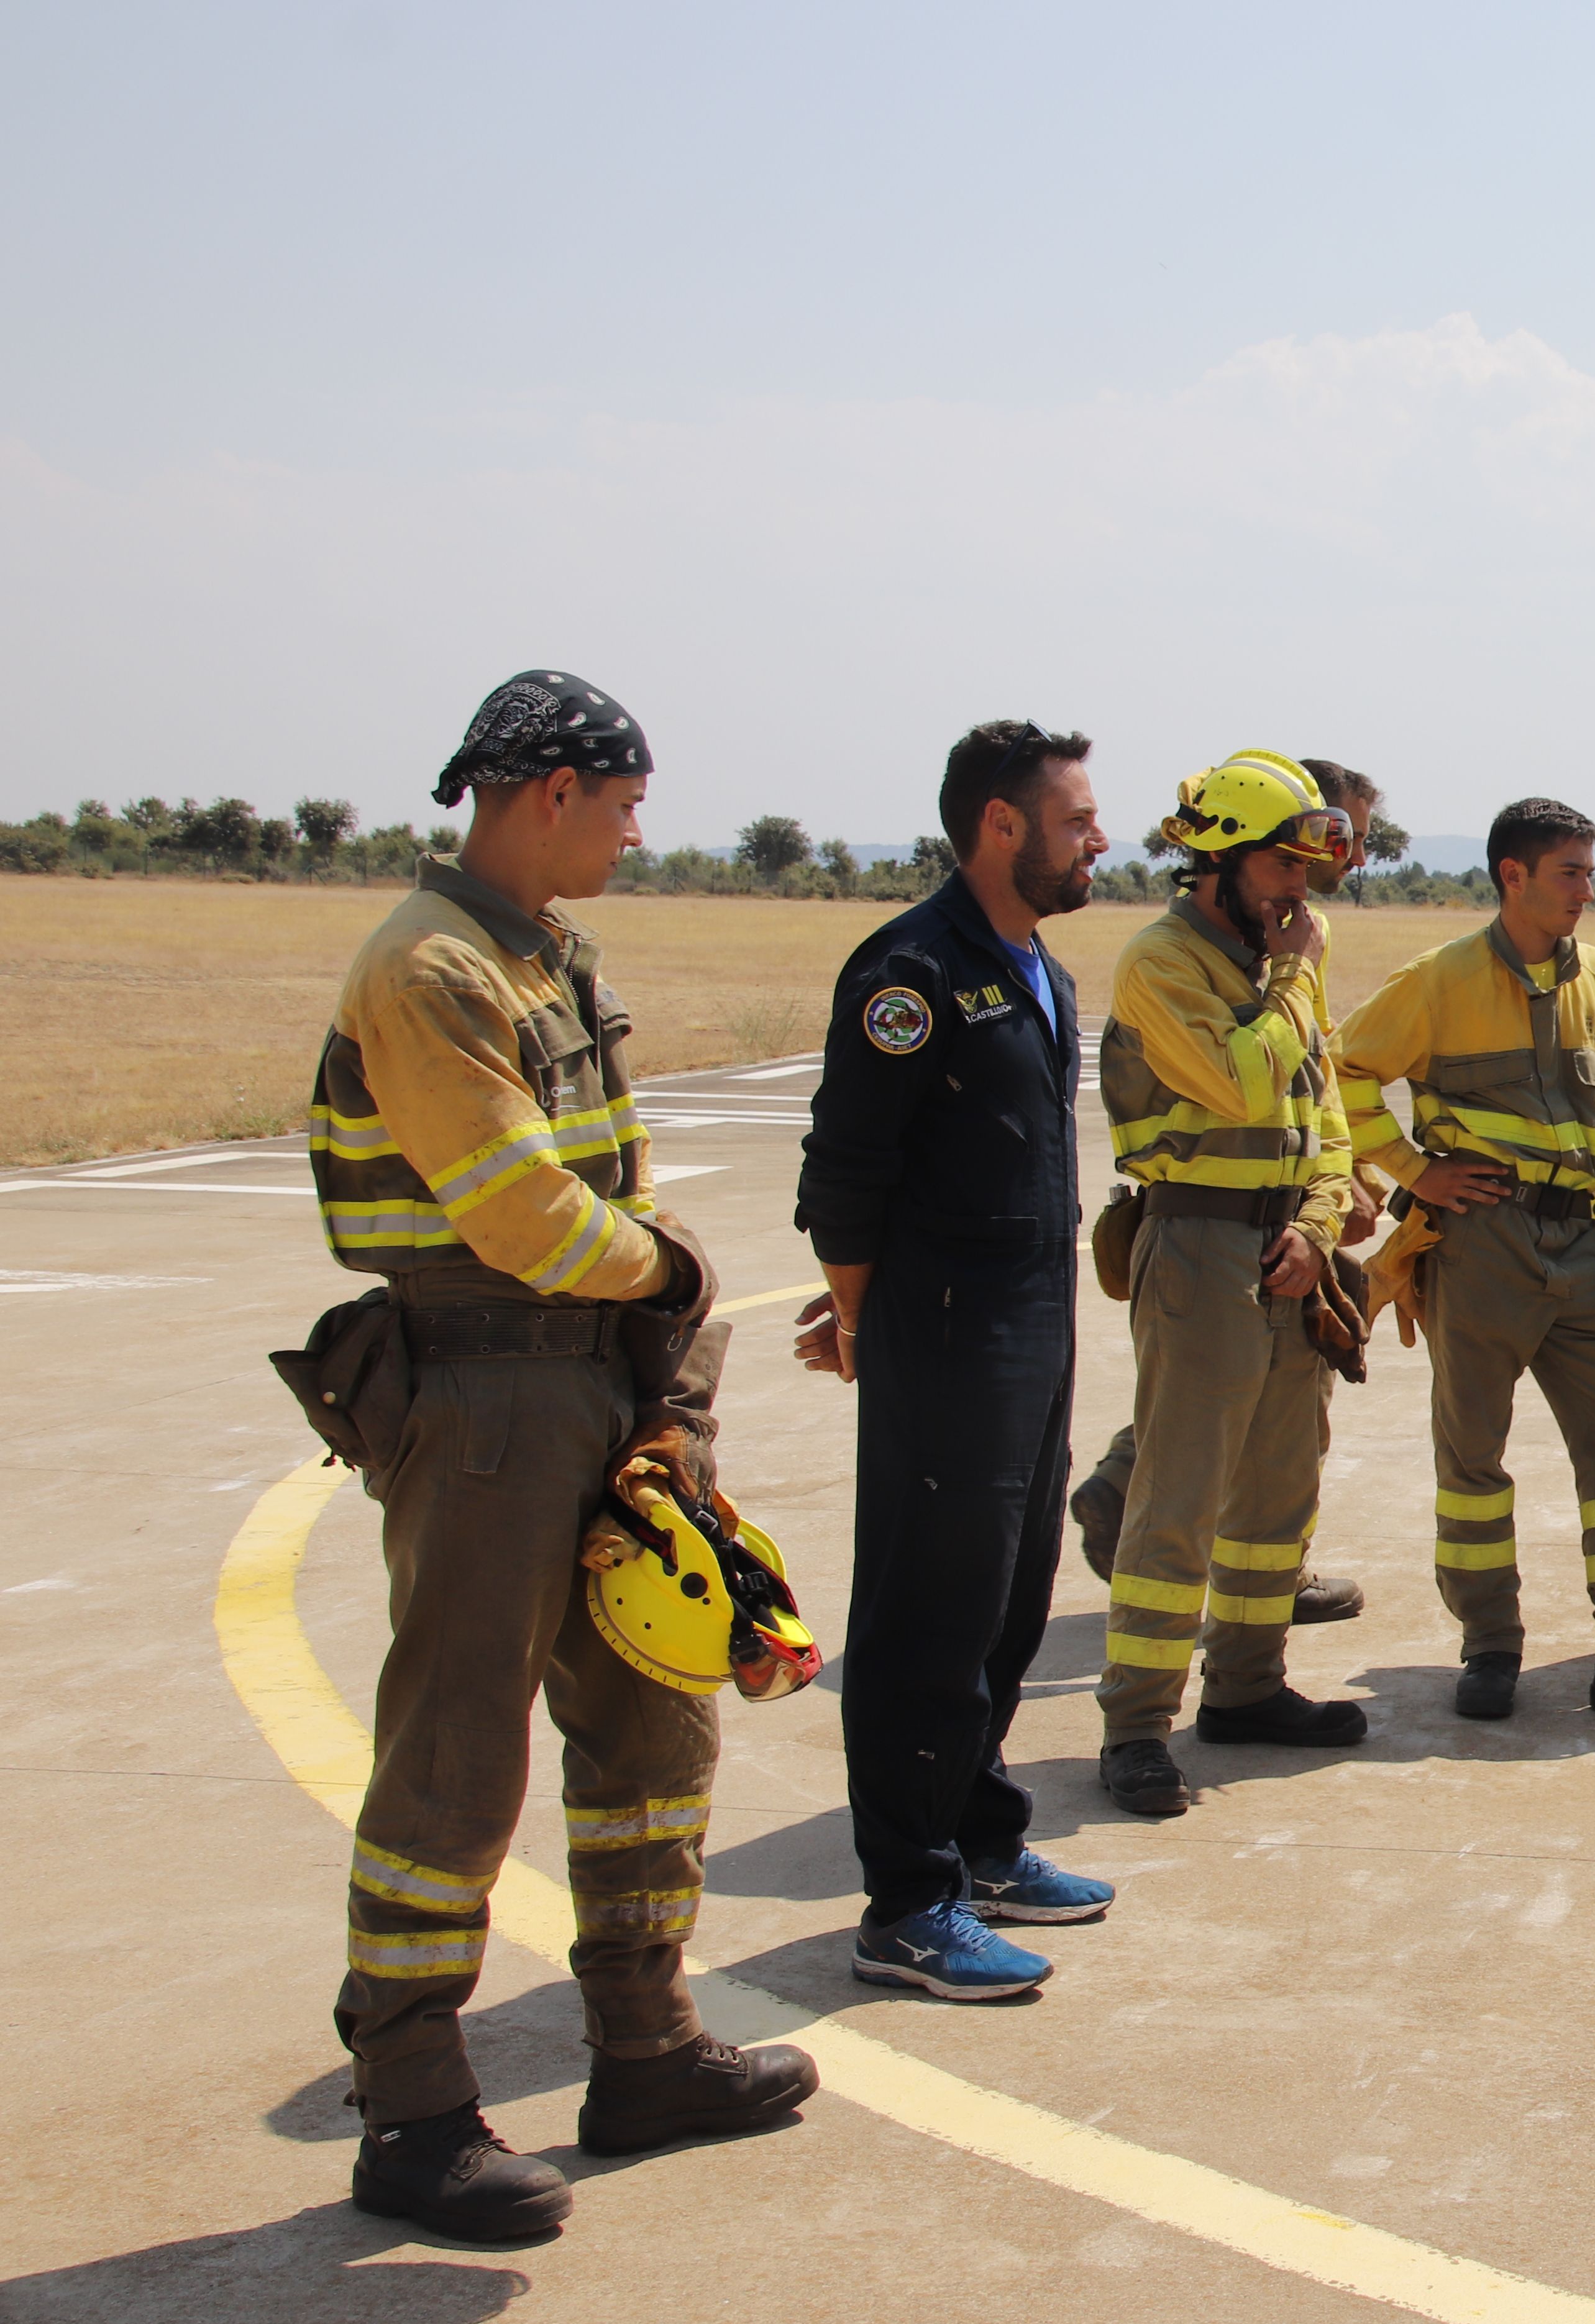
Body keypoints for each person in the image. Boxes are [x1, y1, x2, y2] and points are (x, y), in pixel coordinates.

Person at [309, 669, 815, 2243]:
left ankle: (645, 2050)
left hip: (602, 1384)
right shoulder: (431, 967)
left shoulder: (545, 956)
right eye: (625, 798)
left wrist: (662, 1357)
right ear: (549, 793)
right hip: (485, 1399)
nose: (638, 826)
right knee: (457, 1759)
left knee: (654, 1729)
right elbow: (521, 1215)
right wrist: (670, 1273)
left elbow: (614, 1179)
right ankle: (413, 2110)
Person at [795, 719, 1118, 1999]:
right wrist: (858, 1309)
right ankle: (907, 1900)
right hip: (945, 1324)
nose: (1099, 838)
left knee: (1010, 1599)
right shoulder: (911, 969)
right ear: (1000, 824)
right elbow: (848, 1167)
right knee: (926, 1613)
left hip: (1034, 1319)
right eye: (1077, 819)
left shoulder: (1038, 967)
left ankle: (983, 1839)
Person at [1330, 798, 1595, 1721]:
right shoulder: (1438, 980)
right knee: (1473, 1454)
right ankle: (1491, 1648)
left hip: (1587, 1247)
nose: (1588, 892)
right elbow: (1342, 1069)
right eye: (1570, 873)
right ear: (1512, 877)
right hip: (1481, 1247)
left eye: (1591, 873)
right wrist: (1411, 1173)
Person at [1089, 752, 1367, 1818]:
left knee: (1278, 1487)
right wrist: (1293, 980)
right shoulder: (1161, 963)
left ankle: (1247, 1688)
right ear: (1219, 862)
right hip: (1198, 1246)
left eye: (1310, 867)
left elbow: (1321, 1103)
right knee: (1181, 1493)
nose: (1303, 890)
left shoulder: (1293, 953)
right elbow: (1245, 1082)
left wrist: (1317, 1222)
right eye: (1283, 865)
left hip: (1286, 1249)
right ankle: (1135, 1726)